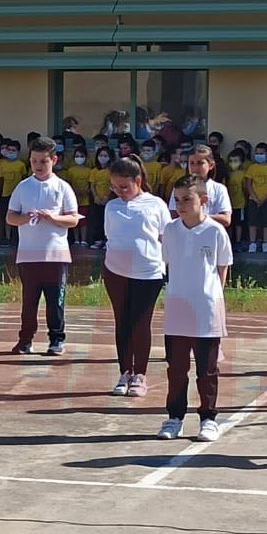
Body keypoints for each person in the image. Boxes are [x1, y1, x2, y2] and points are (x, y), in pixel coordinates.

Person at [158, 176, 233, 442]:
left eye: (187, 199)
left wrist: (214, 298)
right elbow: (169, 264)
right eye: (177, 200)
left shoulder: (215, 231)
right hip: (177, 308)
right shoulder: (170, 230)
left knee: (207, 369)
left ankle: (208, 418)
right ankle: (174, 417)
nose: (181, 205)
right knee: (176, 368)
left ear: (204, 200)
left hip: (206, 309)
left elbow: (222, 267)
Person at [102, 156, 170, 398]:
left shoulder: (156, 205)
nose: (119, 191)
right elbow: (111, 235)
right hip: (116, 271)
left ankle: (140, 374)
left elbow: (165, 238)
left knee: (140, 322)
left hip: (148, 273)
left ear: (138, 180)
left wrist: (170, 266)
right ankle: (125, 372)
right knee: (122, 321)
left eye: (124, 186)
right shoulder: (112, 207)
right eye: (114, 187)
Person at [8, 138, 81, 356]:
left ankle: (56, 339)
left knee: (55, 301)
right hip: (28, 255)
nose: (38, 166)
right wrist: (24, 218)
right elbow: (11, 217)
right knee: (29, 302)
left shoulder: (62, 187)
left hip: (56, 255)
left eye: (43, 161)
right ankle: (25, 340)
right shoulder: (23, 187)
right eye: (34, 161)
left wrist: (53, 218)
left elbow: (74, 219)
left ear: (54, 160)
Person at [243, 142, 267, 253]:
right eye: (257, 153)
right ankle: (253, 243)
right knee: (253, 222)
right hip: (253, 200)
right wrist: (254, 198)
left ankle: (265, 243)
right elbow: (248, 184)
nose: (259, 155)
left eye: (262, 153)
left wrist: (263, 198)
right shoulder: (252, 168)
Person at [0, 140, 28, 246]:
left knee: (19, 217)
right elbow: (0, 180)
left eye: (14, 150)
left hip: (18, 195)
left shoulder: (21, 165)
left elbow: (24, 179)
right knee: (6, 217)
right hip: (5, 194)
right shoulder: (2, 164)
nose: (11, 152)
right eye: (9, 150)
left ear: (18, 152)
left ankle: (17, 238)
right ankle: (7, 238)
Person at [60, 144, 93, 247]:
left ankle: (83, 240)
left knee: (83, 220)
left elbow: (90, 184)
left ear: (86, 158)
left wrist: (86, 192)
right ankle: (76, 239)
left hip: (85, 199)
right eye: (77, 156)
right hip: (73, 199)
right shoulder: (70, 170)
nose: (79, 158)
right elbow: (68, 184)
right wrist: (75, 191)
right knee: (74, 219)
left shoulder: (89, 171)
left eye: (81, 156)